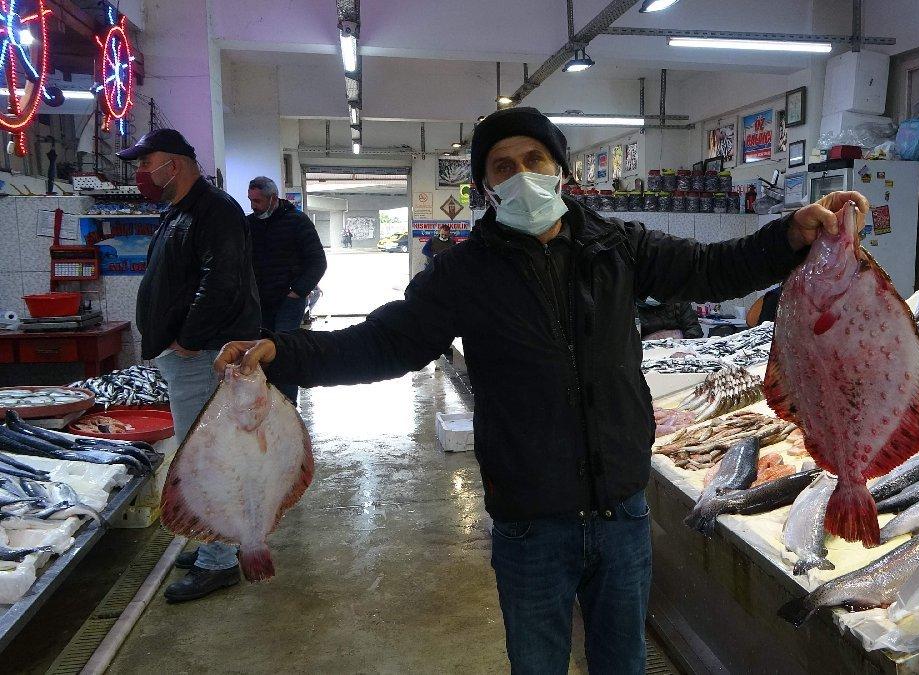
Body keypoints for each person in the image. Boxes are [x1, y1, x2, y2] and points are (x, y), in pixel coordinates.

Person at [214, 107, 866, 673]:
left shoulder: (617, 245)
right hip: (530, 526)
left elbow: (711, 268)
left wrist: (788, 236)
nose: (521, 173)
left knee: (623, 663)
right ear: (485, 186)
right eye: (502, 166)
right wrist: (285, 350)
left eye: (534, 158)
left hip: (621, 515)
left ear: (561, 169)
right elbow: (382, 342)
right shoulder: (464, 274)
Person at [117, 129, 261, 603]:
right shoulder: (182, 210)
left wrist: (189, 338)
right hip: (191, 354)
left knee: (205, 458)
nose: (142, 172)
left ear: (173, 164)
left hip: (201, 355)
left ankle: (218, 560)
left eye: (148, 161)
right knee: (204, 454)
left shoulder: (214, 209)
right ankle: (214, 546)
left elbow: (221, 281)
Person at [246, 176, 327, 403]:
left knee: (283, 352)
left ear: (273, 199)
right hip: (259, 303)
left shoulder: (297, 222)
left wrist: (297, 292)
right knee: (258, 354)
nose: (254, 206)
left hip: (288, 303)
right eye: (251, 200)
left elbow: (318, 262)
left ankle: (287, 405)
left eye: (258, 201)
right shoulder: (249, 225)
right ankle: (263, 405)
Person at [636, 297, 702, 340]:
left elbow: (695, 329)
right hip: (646, 351)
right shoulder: (632, 307)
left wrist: (683, 339)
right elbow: (630, 339)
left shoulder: (678, 301)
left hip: (679, 348)